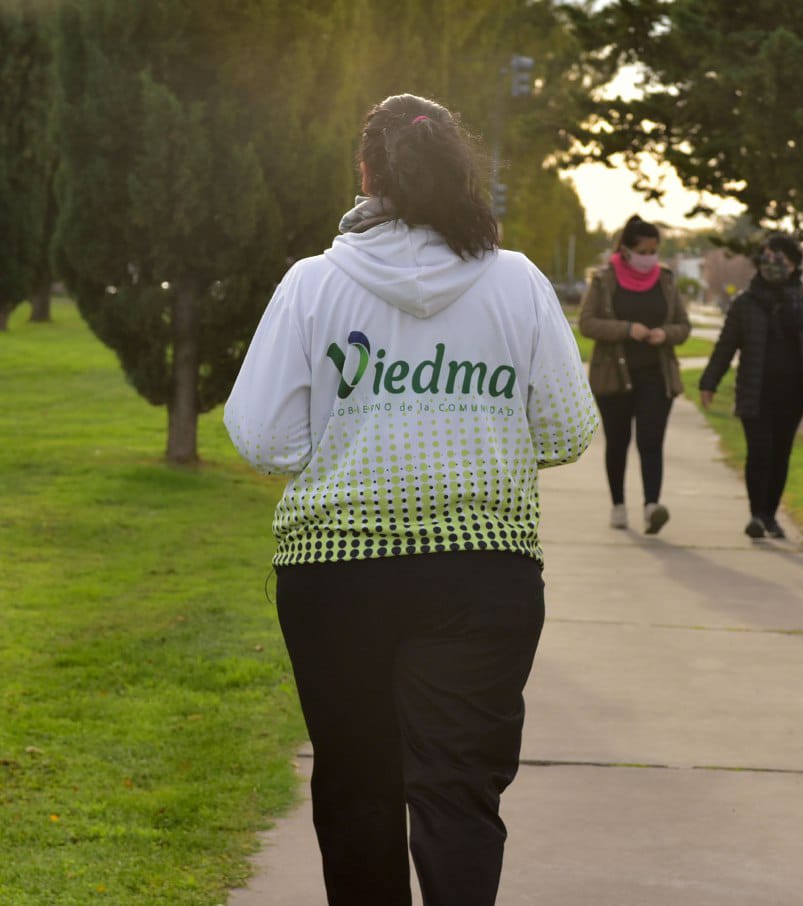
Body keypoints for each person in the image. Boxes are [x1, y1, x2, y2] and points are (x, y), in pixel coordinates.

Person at [223, 93, 597, 906]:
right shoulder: (519, 282)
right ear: (461, 172)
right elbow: (568, 430)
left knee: (357, 784)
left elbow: (263, 437)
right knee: (459, 789)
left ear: (367, 174)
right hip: (482, 574)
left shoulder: (312, 285)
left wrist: (348, 435)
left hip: (336, 576)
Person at [698, 234, 803, 539]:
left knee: (780, 455)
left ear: (794, 264)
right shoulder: (745, 303)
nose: (772, 264)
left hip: (793, 394)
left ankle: (770, 515)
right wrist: (709, 382)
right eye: (767, 257)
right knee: (759, 453)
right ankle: (756, 514)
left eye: (780, 258)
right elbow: (726, 346)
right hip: (755, 391)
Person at [579, 214, 691, 533]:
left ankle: (652, 506)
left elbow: (683, 325)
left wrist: (666, 334)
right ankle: (618, 505)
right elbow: (587, 323)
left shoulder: (666, 280)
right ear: (626, 250)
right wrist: (627, 329)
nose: (649, 257)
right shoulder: (604, 280)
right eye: (643, 251)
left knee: (651, 440)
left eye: (654, 251)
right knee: (618, 442)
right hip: (614, 376)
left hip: (657, 375)